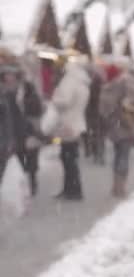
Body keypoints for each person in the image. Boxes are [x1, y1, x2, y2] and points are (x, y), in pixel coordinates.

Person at [41, 60, 91, 201]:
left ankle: (72, 191)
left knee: (68, 159)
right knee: (70, 158)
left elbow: (65, 101)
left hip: (67, 124)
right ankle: (72, 189)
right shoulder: (84, 83)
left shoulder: (70, 81)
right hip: (77, 123)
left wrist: (54, 100)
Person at [99, 65, 134, 198]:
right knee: (124, 156)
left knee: (117, 155)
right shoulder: (124, 84)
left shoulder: (106, 89)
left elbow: (103, 111)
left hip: (114, 126)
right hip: (127, 124)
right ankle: (121, 187)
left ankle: (115, 186)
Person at [1, 65, 43, 195]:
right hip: (9, 128)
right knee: (12, 158)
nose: (9, 77)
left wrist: (25, 102)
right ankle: (13, 186)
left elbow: (36, 107)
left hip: (26, 128)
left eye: (11, 74)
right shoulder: (3, 90)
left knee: (30, 158)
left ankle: (32, 182)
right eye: (6, 74)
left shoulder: (26, 89)